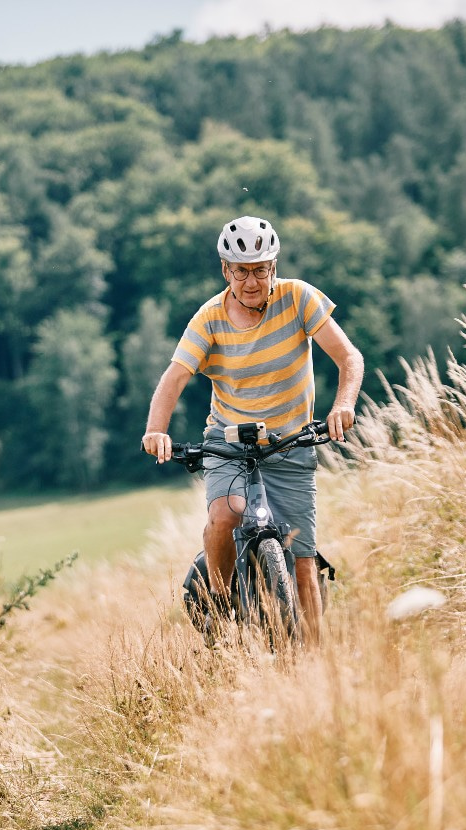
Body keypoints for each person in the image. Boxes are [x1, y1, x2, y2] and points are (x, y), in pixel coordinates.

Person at [141, 215, 364, 646]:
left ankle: (312, 662)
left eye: (260, 269)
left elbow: (349, 358)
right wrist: (156, 429)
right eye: (241, 271)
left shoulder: (299, 299)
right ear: (226, 270)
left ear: (273, 268)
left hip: (292, 443)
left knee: (302, 560)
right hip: (229, 444)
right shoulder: (209, 319)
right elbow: (175, 377)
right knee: (225, 514)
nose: (251, 281)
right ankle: (222, 611)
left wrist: (344, 405)